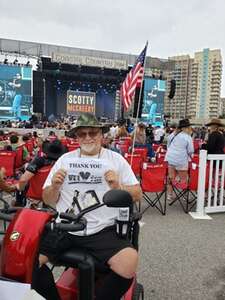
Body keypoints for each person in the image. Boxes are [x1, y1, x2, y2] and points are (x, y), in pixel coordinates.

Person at [32, 113, 142, 300]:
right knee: (26, 263)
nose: (88, 137)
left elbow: (137, 194)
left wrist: (118, 187)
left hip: (102, 228)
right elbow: (48, 199)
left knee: (129, 262)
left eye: (92, 132)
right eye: (82, 134)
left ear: (101, 135)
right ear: (76, 137)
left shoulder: (116, 160)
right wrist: (55, 186)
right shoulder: (64, 160)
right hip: (65, 227)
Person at [165, 119, 194, 200]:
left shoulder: (172, 135)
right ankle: (183, 195)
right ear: (187, 127)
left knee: (171, 177)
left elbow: (168, 145)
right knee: (184, 178)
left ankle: (169, 194)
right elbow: (191, 150)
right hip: (181, 159)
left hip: (171, 158)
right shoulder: (188, 137)